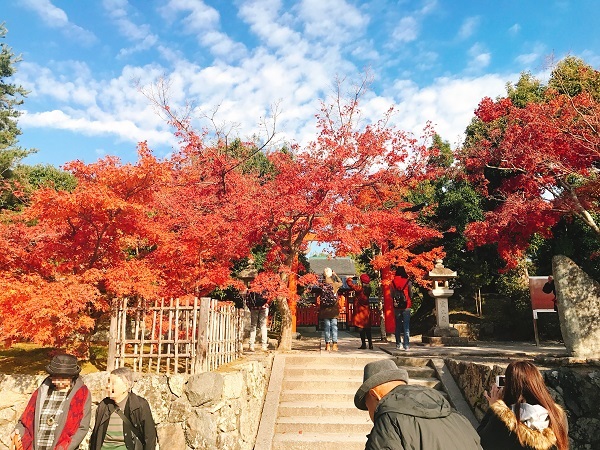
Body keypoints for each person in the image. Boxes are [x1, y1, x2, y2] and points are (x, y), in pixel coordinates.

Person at [355, 359, 482, 449]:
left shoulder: (389, 423)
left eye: (367, 407)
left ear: (374, 395)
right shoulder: (458, 418)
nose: (370, 414)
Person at [477, 360, 569, 450]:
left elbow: (480, 441)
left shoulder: (503, 420)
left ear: (510, 387)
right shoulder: (557, 417)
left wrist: (495, 408)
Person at [11, 354, 92, 450]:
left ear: (72, 377)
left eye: (63, 378)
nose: (58, 381)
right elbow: (26, 419)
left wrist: (65, 448)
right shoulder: (41, 392)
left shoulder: (81, 395)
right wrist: (18, 431)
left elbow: (82, 427)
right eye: (55, 377)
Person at [89, 367, 157, 450]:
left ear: (126, 386)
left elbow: (150, 437)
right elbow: (95, 435)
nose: (108, 385)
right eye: (108, 382)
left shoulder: (139, 405)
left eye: (113, 383)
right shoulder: (103, 405)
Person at [347, 273, 373, 350]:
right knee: (368, 328)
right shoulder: (368, 290)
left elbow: (350, 284)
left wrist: (349, 279)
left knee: (361, 328)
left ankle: (364, 344)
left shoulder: (359, 289)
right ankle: (370, 344)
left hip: (360, 311)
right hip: (366, 311)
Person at [319, 267, 342, 351]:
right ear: (331, 274)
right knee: (334, 327)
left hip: (325, 310)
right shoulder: (335, 284)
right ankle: (335, 345)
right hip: (334, 310)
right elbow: (341, 283)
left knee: (327, 328)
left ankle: (327, 345)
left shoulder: (322, 284)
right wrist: (335, 275)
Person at [391, 266, 412, 351]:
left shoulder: (393, 282)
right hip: (407, 305)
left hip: (397, 306)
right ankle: (406, 345)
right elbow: (411, 293)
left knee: (398, 325)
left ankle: (398, 344)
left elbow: (391, 294)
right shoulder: (408, 281)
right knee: (406, 326)